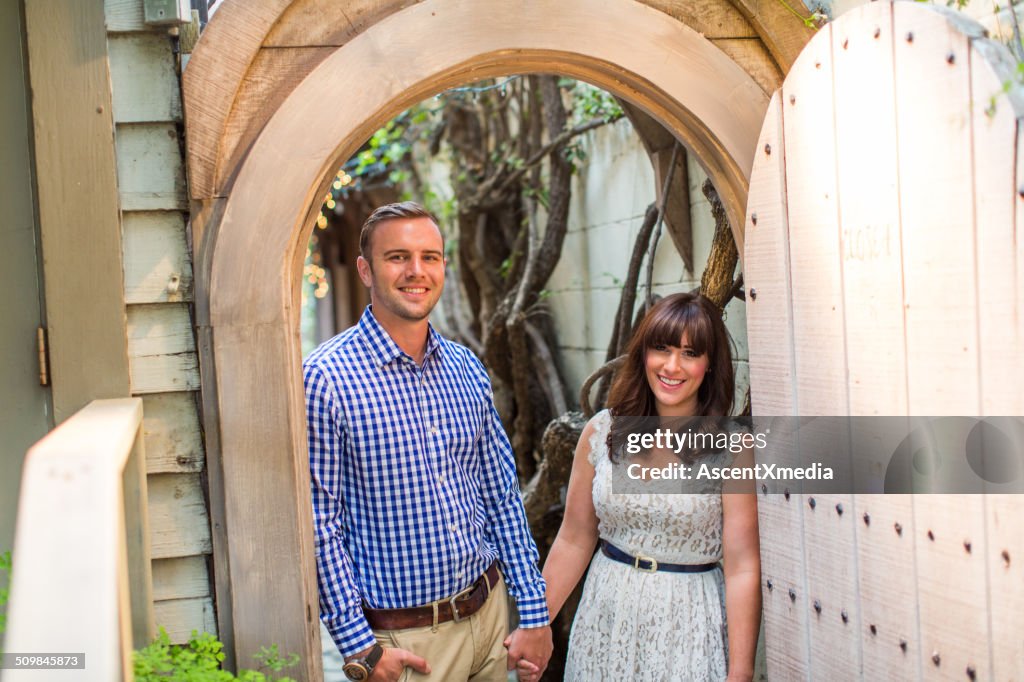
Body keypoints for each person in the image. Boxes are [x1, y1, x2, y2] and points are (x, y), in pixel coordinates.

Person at [304, 202, 553, 682]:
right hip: (407, 644)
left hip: (491, 619)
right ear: (365, 269)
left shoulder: (465, 366)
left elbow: (500, 494)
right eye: (397, 257)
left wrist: (534, 612)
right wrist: (362, 649)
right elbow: (320, 525)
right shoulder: (325, 379)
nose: (416, 271)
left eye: (430, 257)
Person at [534, 292, 761, 682]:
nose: (673, 365)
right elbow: (574, 538)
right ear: (644, 354)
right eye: (662, 348)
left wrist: (740, 672)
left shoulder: (731, 447)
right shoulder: (602, 431)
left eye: (690, 353)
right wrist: (536, 625)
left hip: (687, 623)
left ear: (709, 365)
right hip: (606, 613)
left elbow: (742, 566)